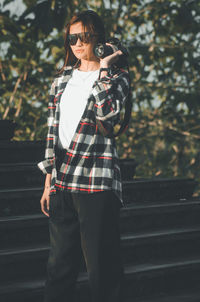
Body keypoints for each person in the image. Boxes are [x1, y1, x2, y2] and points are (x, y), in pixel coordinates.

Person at [37, 9, 130, 302]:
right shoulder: (61, 79)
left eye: (84, 37)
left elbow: (108, 113)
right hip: (63, 182)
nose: (77, 43)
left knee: (102, 269)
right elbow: (54, 132)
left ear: (98, 39)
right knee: (58, 268)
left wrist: (104, 66)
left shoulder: (117, 77)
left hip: (96, 182)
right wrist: (48, 181)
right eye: (72, 38)